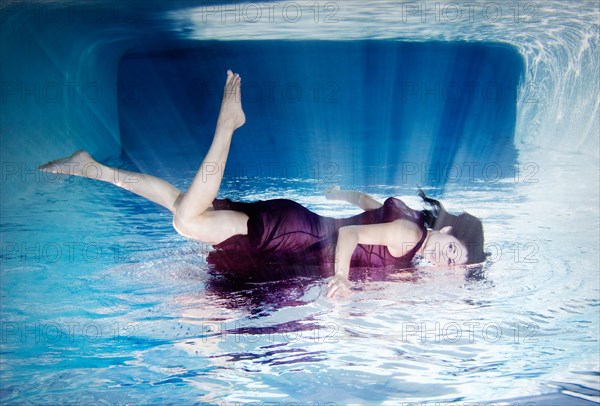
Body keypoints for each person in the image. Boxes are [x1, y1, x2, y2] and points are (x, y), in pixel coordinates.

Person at [39, 70, 485, 298]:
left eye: (454, 264)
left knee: (184, 205)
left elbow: (369, 205)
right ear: (447, 232)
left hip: (298, 228)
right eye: (454, 251)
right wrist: (344, 282)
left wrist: (343, 196)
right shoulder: (411, 234)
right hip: (291, 233)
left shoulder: (410, 227)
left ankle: (93, 168)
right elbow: (350, 234)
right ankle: (228, 126)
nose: (447, 260)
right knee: (189, 220)